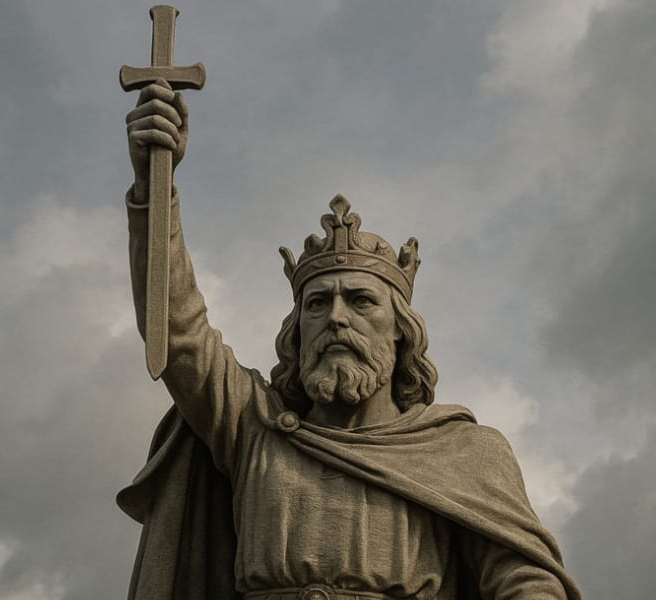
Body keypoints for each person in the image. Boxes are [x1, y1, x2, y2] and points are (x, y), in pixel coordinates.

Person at [119, 79, 581, 600]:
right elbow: (179, 332)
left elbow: (524, 578)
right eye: (317, 304)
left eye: (360, 301)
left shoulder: (463, 451)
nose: (337, 318)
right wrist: (154, 189)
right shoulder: (255, 427)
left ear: (402, 332)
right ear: (297, 331)